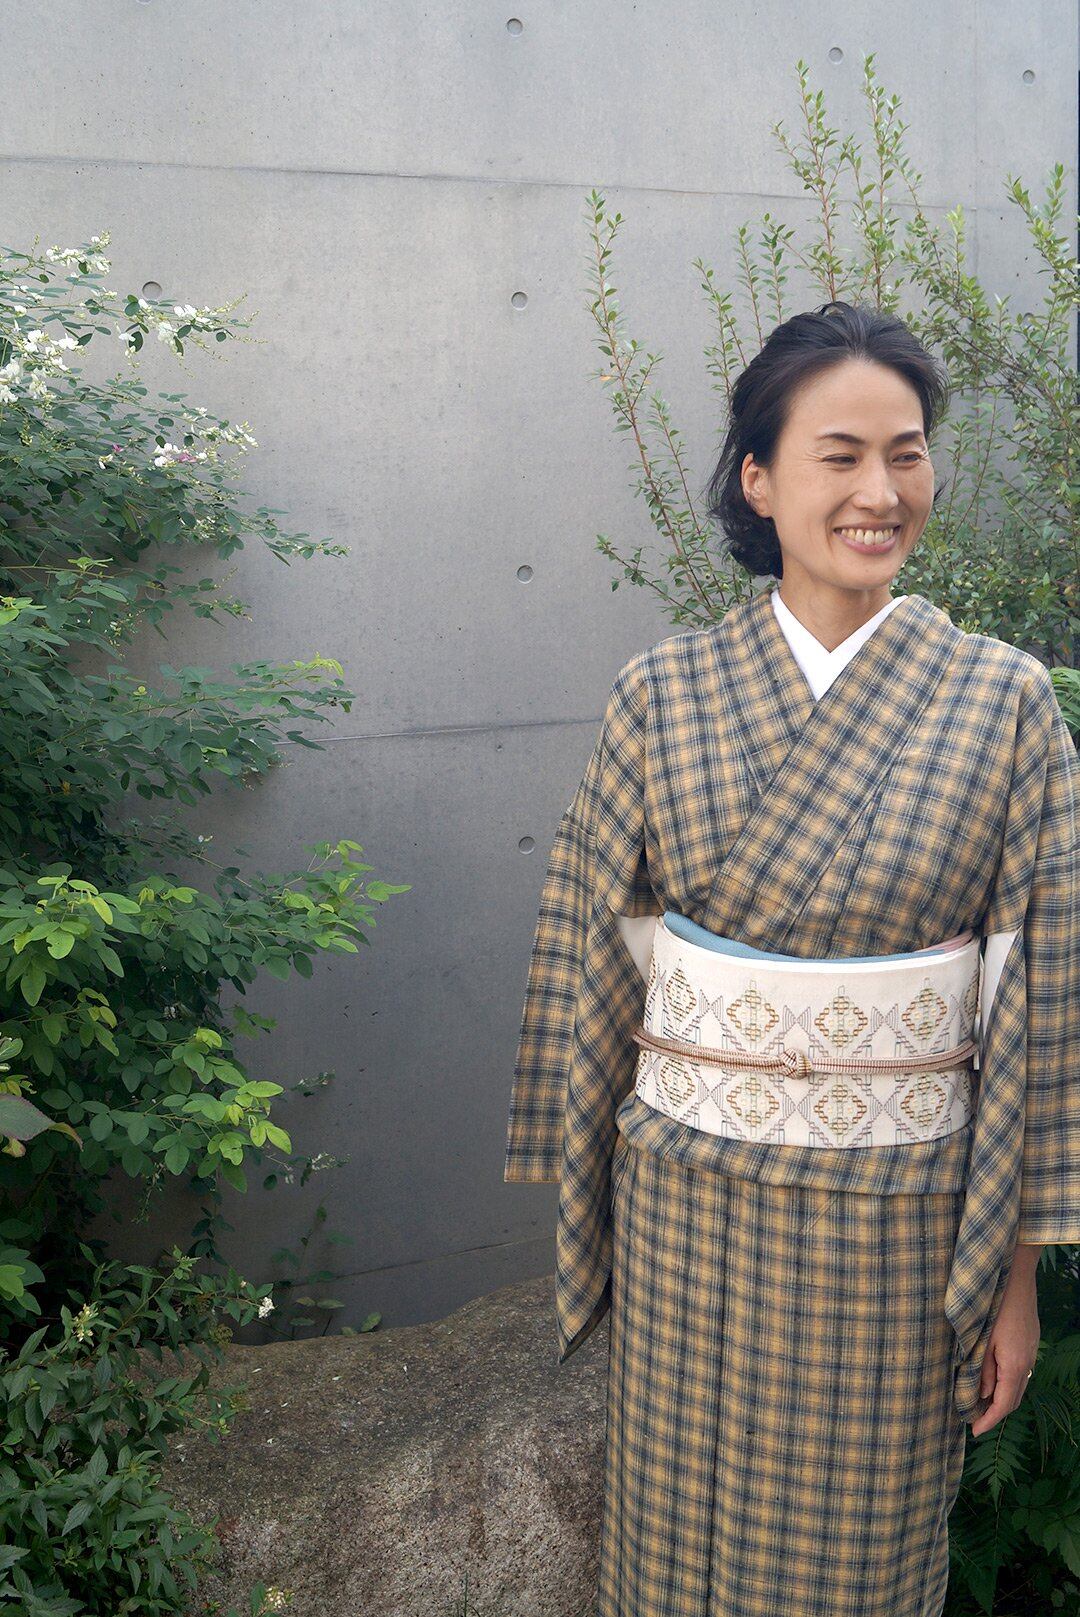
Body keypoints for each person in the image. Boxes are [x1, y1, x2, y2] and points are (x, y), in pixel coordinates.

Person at [503, 300, 1079, 1616]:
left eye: (907, 454)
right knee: (670, 1548)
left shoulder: (1004, 703)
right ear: (758, 480)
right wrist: (585, 1194)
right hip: (688, 1208)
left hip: (897, 1222)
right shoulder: (663, 692)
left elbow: (1044, 1000)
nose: (881, 492)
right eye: (841, 455)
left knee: (856, 1558)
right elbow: (599, 952)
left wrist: (1016, 1279)